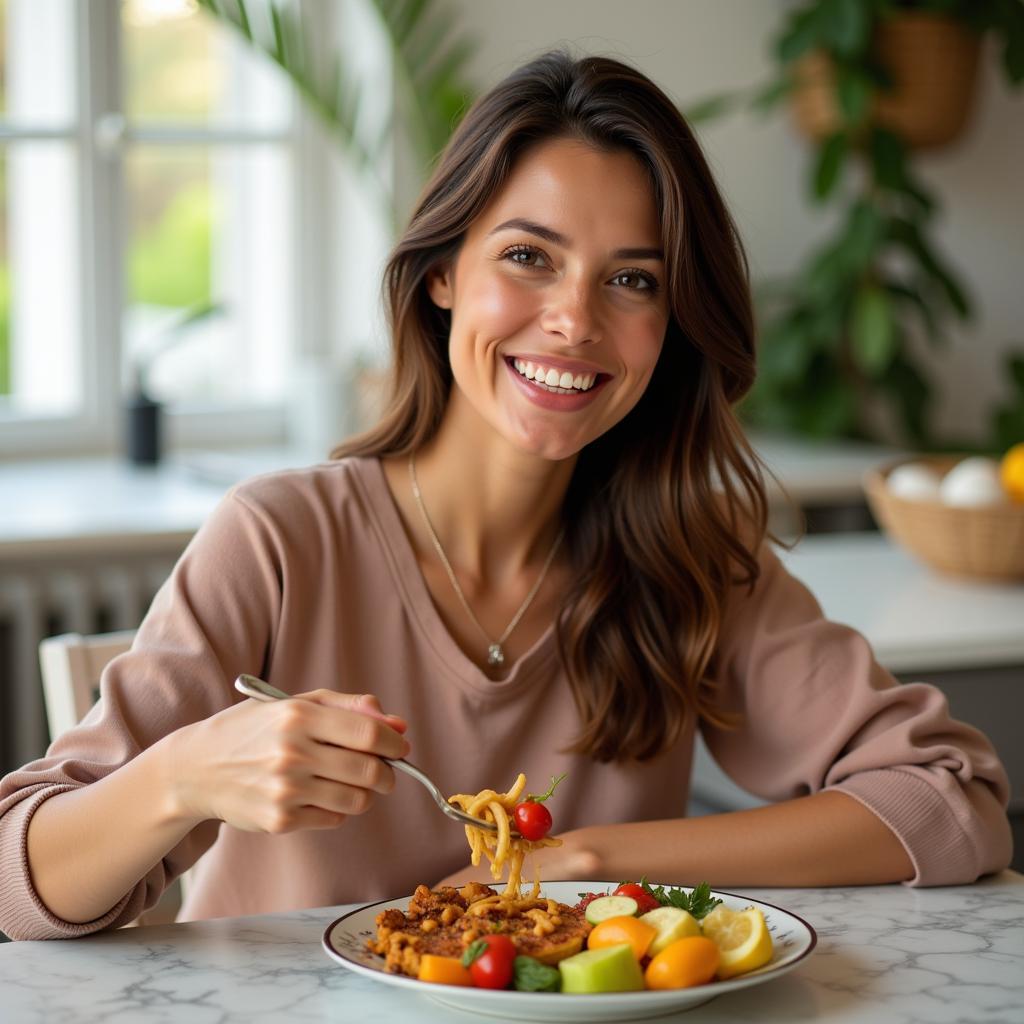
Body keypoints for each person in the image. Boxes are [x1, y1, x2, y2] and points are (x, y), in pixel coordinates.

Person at [0, 51, 1011, 942]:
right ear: (442, 273)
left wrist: (589, 858)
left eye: (633, 281)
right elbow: (15, 877)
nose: (573, 320)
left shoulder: (686, 553)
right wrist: (181, 778)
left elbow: (950, 802)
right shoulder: (281, 539)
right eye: (528, 257)